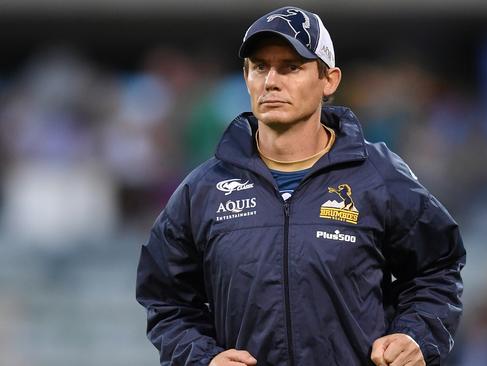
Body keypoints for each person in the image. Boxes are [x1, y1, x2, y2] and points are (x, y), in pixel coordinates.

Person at [136, 6, 466, 366]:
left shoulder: (379, 176)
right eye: (260, 67)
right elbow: (166, 300)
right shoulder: (203, 189)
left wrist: (414, 335)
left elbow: (437, 270)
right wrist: (203, 359)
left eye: (291, 67)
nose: (271, 81)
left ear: (329, 80)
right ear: (246, 76)